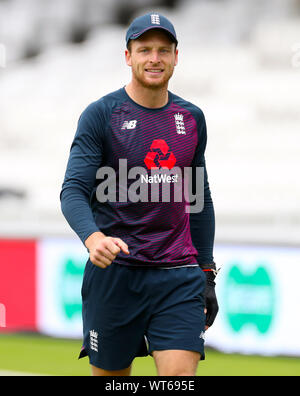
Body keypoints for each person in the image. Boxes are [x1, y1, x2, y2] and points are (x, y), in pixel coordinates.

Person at [60, 12, 218, 377]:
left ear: (176, 57)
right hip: (116, 276)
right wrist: (93, 237)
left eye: (164, 50)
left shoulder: (192, 118)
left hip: (177, 276)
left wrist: (206, 272)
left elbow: (200, 199)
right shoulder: (101, 115)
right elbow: (73, 191)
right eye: (144, 49)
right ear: (128, 56)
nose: (154, 59)